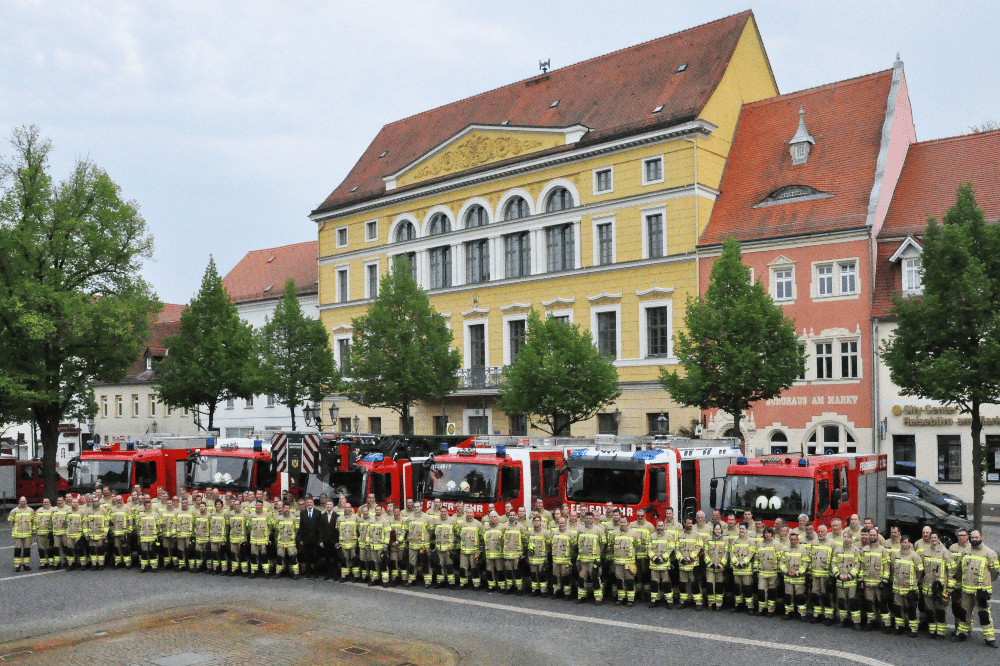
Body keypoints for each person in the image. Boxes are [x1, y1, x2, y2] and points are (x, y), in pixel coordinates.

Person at [952, 530, 999, 647]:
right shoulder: (965, 552)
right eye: (972, 538)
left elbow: (995, 572)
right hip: (967, 589)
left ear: (981, 537)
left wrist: (987, 582)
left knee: (984, 614)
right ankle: (962, 633)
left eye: (976, 537)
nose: (974, 540)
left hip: (981, 591)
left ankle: (989, 638)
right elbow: (959, 569)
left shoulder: (990, 553)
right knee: (964, 613)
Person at [918, 532, 954, 640]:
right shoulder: (925, 552)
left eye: (935, 537)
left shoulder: (945, 553)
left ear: (939, 539)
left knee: (940, 610)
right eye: (931, 537)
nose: (933, 539)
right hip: (927, 586)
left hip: (940, 588)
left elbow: (952, 571)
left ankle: (941, 632)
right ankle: (932, 630)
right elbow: (921, 568)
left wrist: (949, 587)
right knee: (929, 610)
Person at [861, 527, 891, 632]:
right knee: (869, 603)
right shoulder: (864, 550)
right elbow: (861, 566)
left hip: (879, 583)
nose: (872, 537)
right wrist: (861, 579)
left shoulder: (883, 550)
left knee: (882, 604)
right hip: (868, 582)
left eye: (874, 535)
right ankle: (870, 621)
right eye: (871, 535)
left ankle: (887, 624)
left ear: (877, 536)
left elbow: (887, 566)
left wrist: (885, 580)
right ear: (868, 536)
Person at [834, 530, 862, 628]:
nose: (846, 539)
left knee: (853, 602)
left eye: (848, 537)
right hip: (840, 581)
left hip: (851, 582)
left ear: (852, 539)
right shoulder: (837, 550)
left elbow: (858, 565)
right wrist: (838, 575)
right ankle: (843, 620)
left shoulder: (856, 550)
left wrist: (849, 575)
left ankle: (856, 622)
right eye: (845, 537)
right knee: (841, 601)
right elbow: (833, 564)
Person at [809, 524, 836, 624]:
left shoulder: (832, 543)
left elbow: (834, 559)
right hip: (815, 575)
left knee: (827, 596)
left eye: (822, 531)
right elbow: (810, 558)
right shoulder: (814, 542)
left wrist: (832, 575)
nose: (820, 533)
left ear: (826, 532)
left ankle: (829, 616)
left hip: (826, 575)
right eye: (819, 531)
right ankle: (817, 615)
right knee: (815, 595)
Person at [780, 531, 810, 621]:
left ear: (798, 540)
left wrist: (797, 572)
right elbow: (781, 562)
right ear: (789, 540)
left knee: (800, 596)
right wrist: (786, 571)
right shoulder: (785, 550)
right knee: (788, 596)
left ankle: (802, 614)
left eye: (795, 540)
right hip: (788, 577)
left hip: (799, 578)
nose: (793, 541)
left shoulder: (803, 550)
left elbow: (806, 563)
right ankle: (788, 612)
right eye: (791, 540)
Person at [576, 511, 604, 604]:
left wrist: (598, 557)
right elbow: (578, 544)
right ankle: (581, 596)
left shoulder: (598, 530)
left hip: (593, 560)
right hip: (582, 559)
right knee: (581, 579)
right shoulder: (580, 530)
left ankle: (598, 598)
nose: (588, 520)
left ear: (593, 519)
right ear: (584, 519)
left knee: (595, 578)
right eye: (587, 518)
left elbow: (602, 544)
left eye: (590, 518)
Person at [728, 522, 756, 613]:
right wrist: (736, 562)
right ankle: (738, 605)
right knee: (737, 588)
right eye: (740, 529)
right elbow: (731, 552)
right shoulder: (735, 540)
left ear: (747, 530)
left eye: (743, 529)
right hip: (737, 568)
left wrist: (743, 562)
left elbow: (751, 553)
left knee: (747, 588)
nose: (741, 530)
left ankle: (750, 606)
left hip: (746, 569)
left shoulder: (750, 541)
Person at [676, 518, 703, 610]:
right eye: (688, 523)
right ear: (684, 524)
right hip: (682, 564)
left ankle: (698, 603)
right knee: (682, 584)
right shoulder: (679, 535)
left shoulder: (697, 535)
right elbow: (676, 549)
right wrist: (682, 559)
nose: (690, 524)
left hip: (693, 564)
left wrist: (690, 558)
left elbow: (699, 547)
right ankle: (683, 601)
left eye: (691, 523)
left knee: (695, 584)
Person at [612, 517, 638, 606]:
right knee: (619, 580)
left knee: (629, 580)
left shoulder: (634, 533)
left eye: (624, 522)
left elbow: (637, 546)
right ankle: (621, 598)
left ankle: (630, 599)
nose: (622, 524)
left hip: (629, 562)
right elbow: (611, 545)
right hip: (618, 562)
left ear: (628, 523)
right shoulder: (614, 533)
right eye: (621, 522)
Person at [754, 526, 780, 616]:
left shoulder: (777, 544)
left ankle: (770, 610)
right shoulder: (760, 544)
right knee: (761, 591)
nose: (767, 535)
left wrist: (779, 571)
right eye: (765, 533)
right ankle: (761, 609)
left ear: (772, 534)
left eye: (769, 533)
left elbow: (781, 558)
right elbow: (756, 558)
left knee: (772, 592)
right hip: (762, 572)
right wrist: (756, 570)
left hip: (773, 572)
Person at [406, 504, 433, 587]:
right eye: (415, 507)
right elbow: (406, 530)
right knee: (412, 563)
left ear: (421, 507)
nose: (416, 508)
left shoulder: (427, 518)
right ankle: (411, 580)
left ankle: (427, 582)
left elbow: (431, 530)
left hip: (423, 546)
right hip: (412, 545)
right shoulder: (409, 518)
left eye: (418, 507)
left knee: (425, 563)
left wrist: (427, 540)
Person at [704, 523, 728, 611]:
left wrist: (721, 564)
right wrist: (709, 563)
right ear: (713, 530)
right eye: (716, 529)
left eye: (719, 529)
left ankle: (719, 604)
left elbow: (726, 554)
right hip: (710, 568)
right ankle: (711, 604)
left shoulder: (725, 540)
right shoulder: (708, 539)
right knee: (710, 585)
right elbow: (705, 552)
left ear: (721, 530)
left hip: (720, 568)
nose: (717, 531)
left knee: (719, 586)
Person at [458, 506, 484, 589]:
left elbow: (482, 536)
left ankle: (476, 584)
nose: (469, 514)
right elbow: (458, 535)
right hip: (464, 551)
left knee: (474, 568)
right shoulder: (461, 523)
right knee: (463, 568)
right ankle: (463, 583)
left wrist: (479, 549)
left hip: (474, 551)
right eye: (468, 513)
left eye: (470, 513)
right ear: (466, 513)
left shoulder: (478, 524)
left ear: (473, 514)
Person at [550, 516, 576, 599]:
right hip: (555, 560)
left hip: (566, 560)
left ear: (566, 523)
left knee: (566, 578)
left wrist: (570, 557)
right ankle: (556, 592)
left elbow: (574, 546)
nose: (561, 524)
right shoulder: (554, 533)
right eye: (560, 523)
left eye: (563, 523)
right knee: (555, 577)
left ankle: (567, 593)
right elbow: (550, 544)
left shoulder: (571, 534)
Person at [502, 510, 527, 594]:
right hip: (508, 554)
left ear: (516, 516)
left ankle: (519, 588)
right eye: (510, 515)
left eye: (513, 515)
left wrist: (523, 553)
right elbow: (501, 540)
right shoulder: (504, 527)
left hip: (517, 554)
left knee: (518, 572)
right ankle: (509, 587)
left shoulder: (521, 527)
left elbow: (524, 540)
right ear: (508, 516)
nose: (512, 516)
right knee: (508, 572)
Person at [8, 496, 34, 572]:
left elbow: (33, 521)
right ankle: (17, 565)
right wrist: (13, 530)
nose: (23, 502)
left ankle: (26, 565)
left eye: (24, 501)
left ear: (26, 502)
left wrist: (33, 531)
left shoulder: (30, 510)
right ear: (19, 502)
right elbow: (11, 521)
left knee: (27, 550)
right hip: (17, 534)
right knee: (18, 550)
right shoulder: (14, 511)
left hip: (27, 534)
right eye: (22, 501)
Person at [297, 498, 321, 578]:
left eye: (311, 502)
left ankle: (316, 573)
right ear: (306, 504)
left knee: (315, 557)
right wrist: (301, 539)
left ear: (313, 503)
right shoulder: (303, 513)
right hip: (306, 539)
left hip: (315, 539)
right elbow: (301, 527)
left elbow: (320, 528)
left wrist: (320, 540)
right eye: (308, 502)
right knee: (306, 557)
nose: (309, 503)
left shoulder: (318, 513)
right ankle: (308, 573)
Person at [275, 503, 300, 579]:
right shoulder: (278, 518)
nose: (286, 509)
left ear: (289, 509)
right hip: (281, 541)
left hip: (290, 542)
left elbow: (297, 530)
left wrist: (293, 538)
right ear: (282, 509)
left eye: (287, 508)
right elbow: (276, 530)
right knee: (279, 558)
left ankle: (296, 573)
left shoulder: (294, 518)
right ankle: (278, 572)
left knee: (293, 558)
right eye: (285, 508)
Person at [527, 515, 551, 596]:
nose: (537, 522)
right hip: (532, 558)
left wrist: (546, 558)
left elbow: (549, 546)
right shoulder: (529, 533)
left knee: (542, 575)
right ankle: (535, 590)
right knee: (533, 575)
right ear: (533, 522)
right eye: (535, 521)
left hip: (542, 559)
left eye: (538, 521)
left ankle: (543, 591)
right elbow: (526, 544)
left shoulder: (546, 533)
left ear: (541, 522)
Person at [135, 500, 162, 572]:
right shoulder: (140, 515)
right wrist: (139, 533)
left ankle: (154, 567)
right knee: (144, 552)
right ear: (144, 506)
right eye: (146, 505)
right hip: (143, 537)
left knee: (153, 552)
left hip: (153, 537)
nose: (148, 507)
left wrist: (157, 533)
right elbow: (137, 526)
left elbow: (159, 525)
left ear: (151, 506)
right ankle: (144, 566)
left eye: (149, 505)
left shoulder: (155, 515)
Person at [248, 500, 272, 578]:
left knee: (264, 556)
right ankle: (253, 572)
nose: (259, 506)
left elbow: (270, 526)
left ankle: (266, 572)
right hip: (254, 539)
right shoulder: (251, 515)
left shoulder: (267, 515)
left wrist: (267, 534)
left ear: (262, 506)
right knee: (254, 556)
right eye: (257, 505)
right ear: (255, 506)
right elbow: (248, 526)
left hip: (264, 539)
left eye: (260, 505)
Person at [318, 500, 340, 580]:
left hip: (334, 541)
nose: (329, 506)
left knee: (335, 558)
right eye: (327, 505)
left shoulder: (337, 516)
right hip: (325, 541)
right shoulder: (322, 516)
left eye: (330, 504)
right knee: (327, 558)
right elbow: (320, 529)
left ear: (333, 506)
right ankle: (328, 574)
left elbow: (338, 530)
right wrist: (320, 541)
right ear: (325, 506)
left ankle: (335, 575)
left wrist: (337, 541)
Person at [228, 499, 250, 576]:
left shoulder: (245, 514)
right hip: (233, 538)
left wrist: (246, 537)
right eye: (234, 505)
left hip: (242, 539)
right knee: (234, 555)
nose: (236, 506)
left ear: (240, 505)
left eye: (237, 504)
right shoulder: (231, 514)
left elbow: (248, 526)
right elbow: (229, 526)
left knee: (243, 555)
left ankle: (244, 571)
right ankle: (234, 569)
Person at [51, 496, 69, 569]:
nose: (60, 501)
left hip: (65, 532)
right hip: (56, 533)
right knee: (56, 549)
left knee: (65, 548)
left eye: (61, 500)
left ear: (64, 500)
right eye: (58, 500)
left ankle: (66, 562)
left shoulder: (68, 509)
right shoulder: (53, 509)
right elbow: (50, 520)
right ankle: (57, 563)